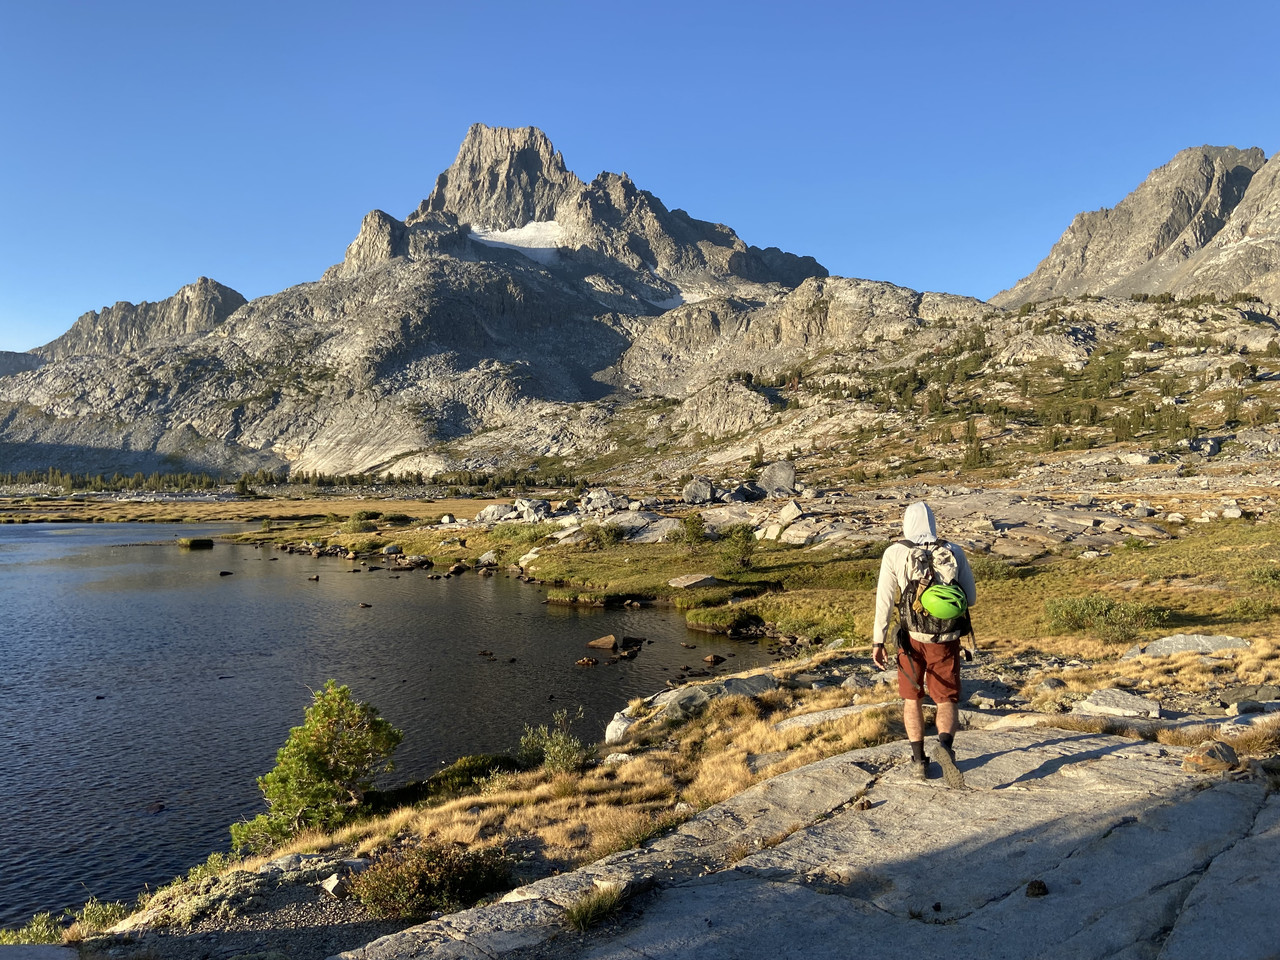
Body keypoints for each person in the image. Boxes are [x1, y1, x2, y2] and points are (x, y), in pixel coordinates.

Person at [871, 501, 976, 786]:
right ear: (933, 522)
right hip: (946, 640)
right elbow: (971, 598)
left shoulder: (894, 552)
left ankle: (919, 761)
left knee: (912, 699)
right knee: (946, 699)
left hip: (911, 639)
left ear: (906, 523)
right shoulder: (953, 550)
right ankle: (944, 745)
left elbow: (884, 600)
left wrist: (878, 641)